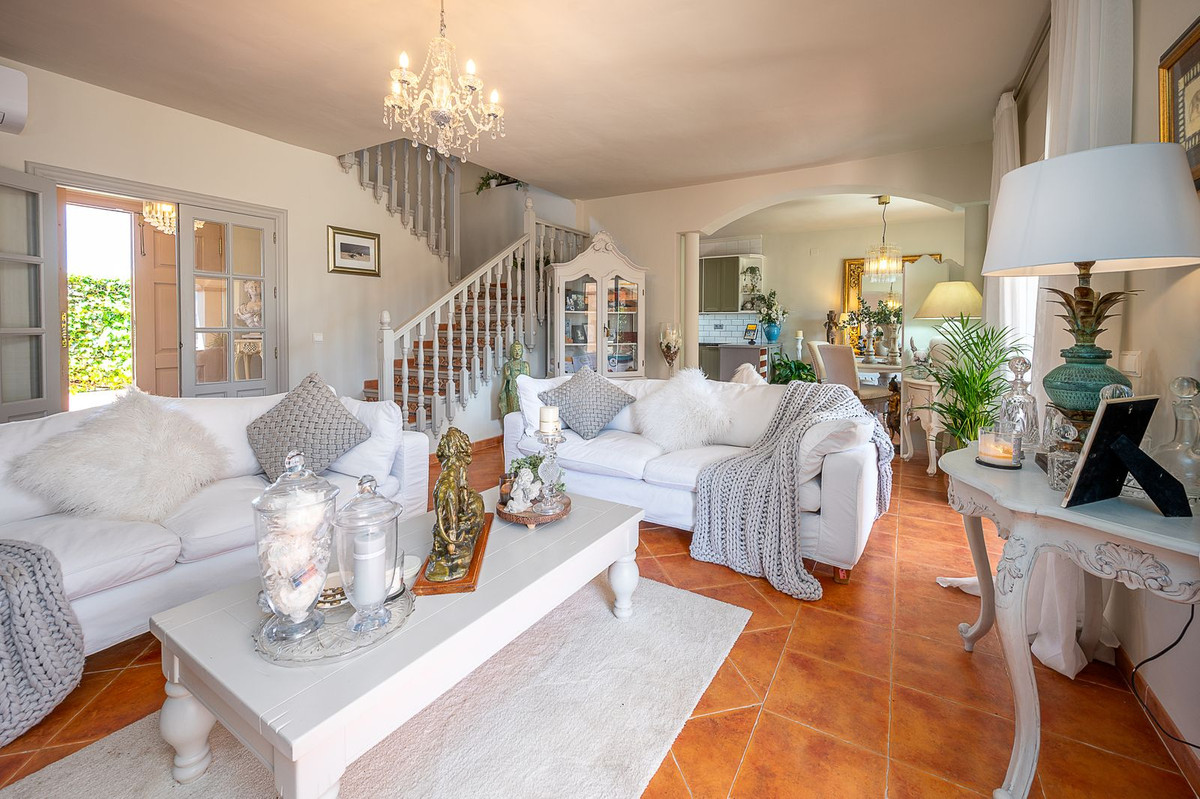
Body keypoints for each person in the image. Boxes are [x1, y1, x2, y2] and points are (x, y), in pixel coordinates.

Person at [498, 340, 529, 417]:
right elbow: (506, 377)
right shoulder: (508, 365)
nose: (517, 353)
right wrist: (508, 376)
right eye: (515, 350)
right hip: (512, 388)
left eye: (519, 350)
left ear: (522, 352)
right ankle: (511, 420)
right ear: (512, 352)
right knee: (512, 406)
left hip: (522, 388)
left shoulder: (525, 365)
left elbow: (528, 379)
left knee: (523, 407)